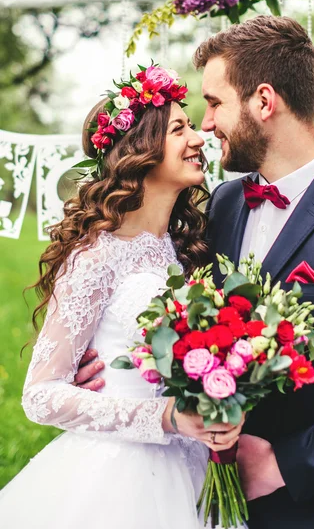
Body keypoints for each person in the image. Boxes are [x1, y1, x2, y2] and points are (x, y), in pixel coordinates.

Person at [78, 16, 314, 529]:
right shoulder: (223, 203)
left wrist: (286, 465)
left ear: (264, 101)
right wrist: (109, 362)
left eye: (214, 103)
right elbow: (176, 319)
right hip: (197, 497)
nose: (206, 124)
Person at [0, 64, 244, 529]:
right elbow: (40, 396)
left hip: (194, 466)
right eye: (180, 128)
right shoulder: (96, 256)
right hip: (122, 478)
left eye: (192, 124)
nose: (198, 138)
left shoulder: (184, 250)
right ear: (141, 152)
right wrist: (166, 417)